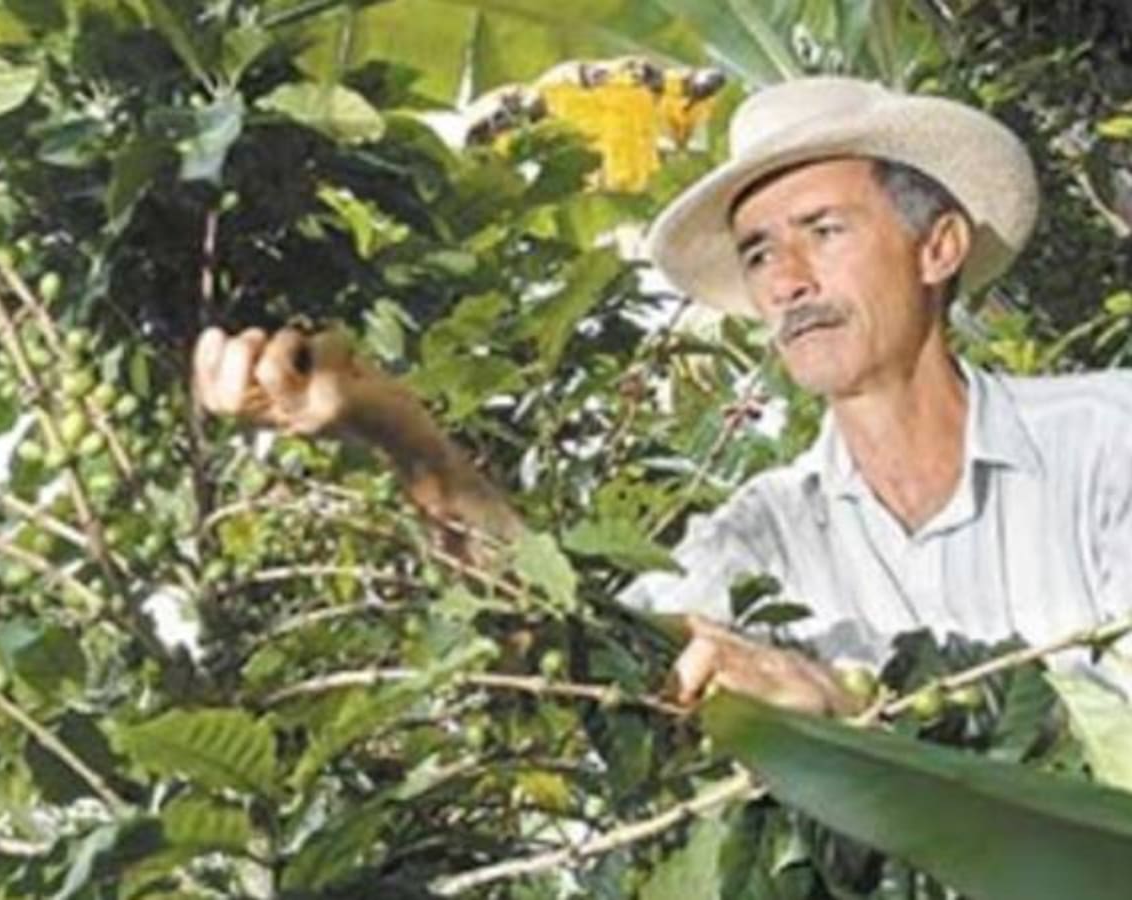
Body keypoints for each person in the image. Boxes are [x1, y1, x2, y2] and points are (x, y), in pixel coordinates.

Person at [192, 77, 1132, 715]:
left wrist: (852, 709)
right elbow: (588, 650)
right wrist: (403, 438)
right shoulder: (763, 536)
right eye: (760, 251)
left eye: (823, 230)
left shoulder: (1107, 442)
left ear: (939, 248)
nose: (787, 281)